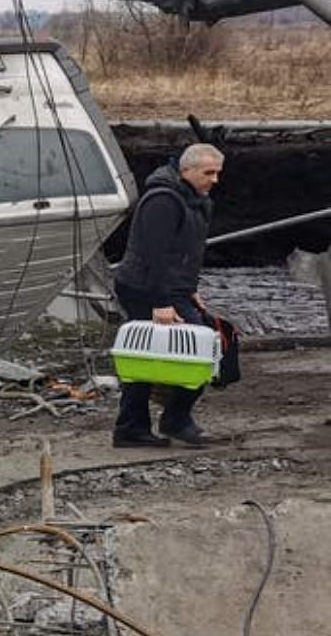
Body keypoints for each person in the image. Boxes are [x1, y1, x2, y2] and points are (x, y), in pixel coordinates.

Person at [112, 142, 224, 448]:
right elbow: (155, 255)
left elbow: (186, 251)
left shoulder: (195, 200)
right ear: (186, 171)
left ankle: (146, 424)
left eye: (217, 173)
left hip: (171, 287)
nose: (214, 180)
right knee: (187, 350)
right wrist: (161, 302)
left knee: (190, 348)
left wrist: (190, 289)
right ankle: (160, 422)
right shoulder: (163, 201)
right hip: (144, 287)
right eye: (208, 173)